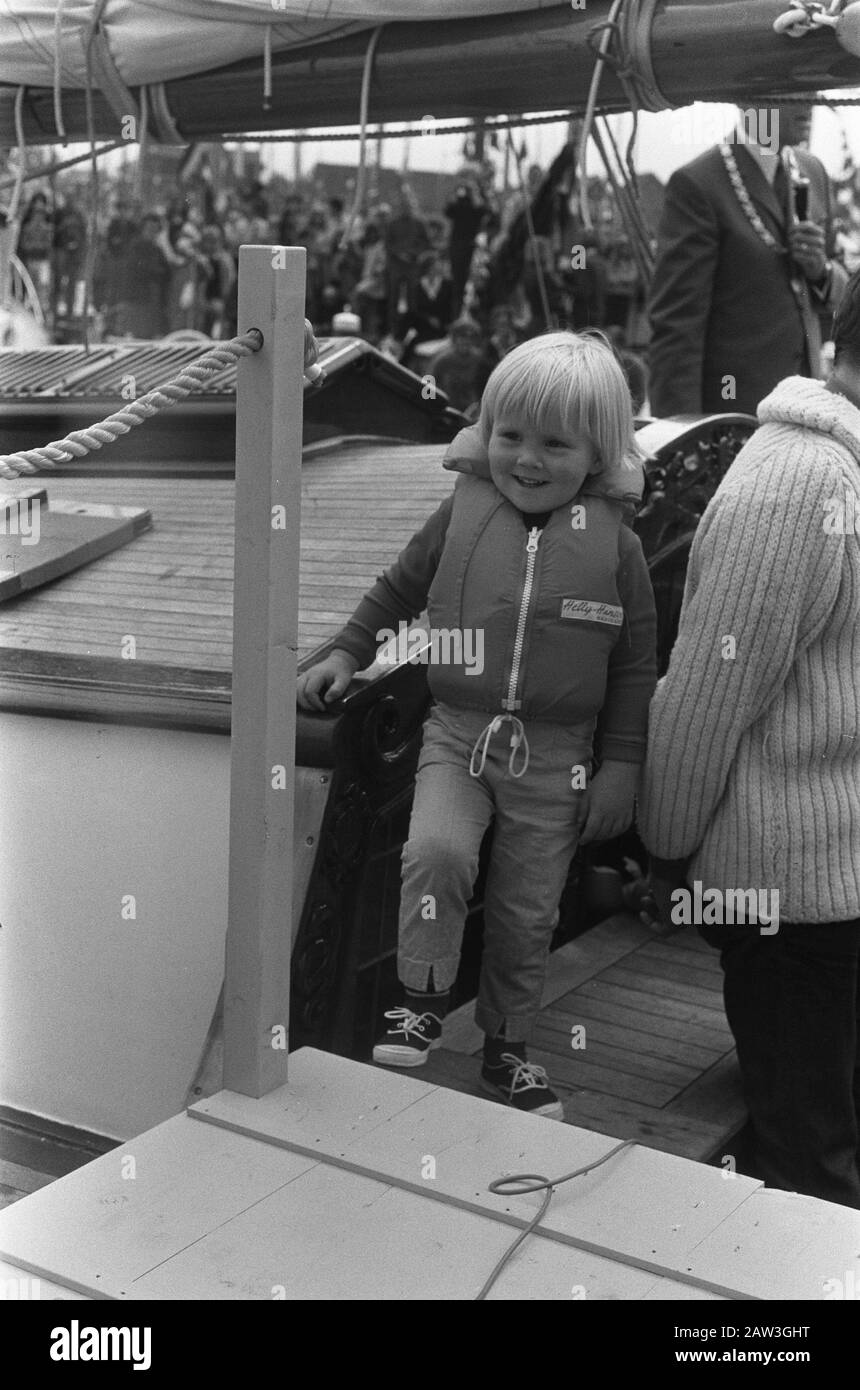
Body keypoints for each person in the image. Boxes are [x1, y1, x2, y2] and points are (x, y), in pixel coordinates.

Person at [298, 332, 657, 1117]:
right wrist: (346, 653)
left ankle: (507, 1047)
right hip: (456, 732)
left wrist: (621, 767)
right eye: (509, 435)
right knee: (435, 851)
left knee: (528, 909)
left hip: (557, 754)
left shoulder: (619, 550)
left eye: (554, 443)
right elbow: (399, 587)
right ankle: (421, 997)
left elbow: (634, 666)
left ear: (597, 455)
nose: (525, 459)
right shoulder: (462, 510)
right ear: (484, 431)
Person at [638, 271, 860, 1209]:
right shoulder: (799, 482)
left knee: (817, 1153)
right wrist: (666, 846)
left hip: (825, 890)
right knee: (813, 1171)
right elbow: (706, 699)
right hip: (795, 902)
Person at [648, 100, 847, 416]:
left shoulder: (813, 171)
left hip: (805, 411)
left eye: (813, 86)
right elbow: (677, 334)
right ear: (750, 98)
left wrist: (819, 269)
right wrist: (681, 440)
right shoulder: (699, 185)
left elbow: (844, 290)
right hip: (736, 418)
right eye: (792, 87)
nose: (810, 100)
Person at [428, 316, 493, 418]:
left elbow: (489, 389)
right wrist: (430, 408)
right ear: (454, 339)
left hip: (472, 415)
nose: (466, 341)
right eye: (462, 337)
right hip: (444, 413)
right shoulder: (441, 360)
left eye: (470, 338)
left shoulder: (480, 360)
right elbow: (427, 384)